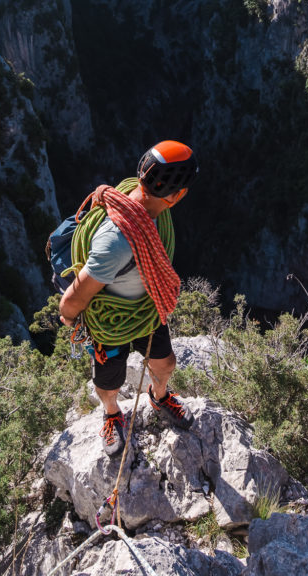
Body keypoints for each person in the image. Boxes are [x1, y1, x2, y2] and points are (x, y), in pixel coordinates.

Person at [58, 139, 198, 455]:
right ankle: (111, 415)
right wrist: (68, 315)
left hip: (146, 311)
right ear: (177, 195)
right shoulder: (117, 242)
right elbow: (74, 298)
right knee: (109, 384)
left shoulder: (142, 200)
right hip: (111, 322)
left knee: (165, 364)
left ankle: (159, 395)